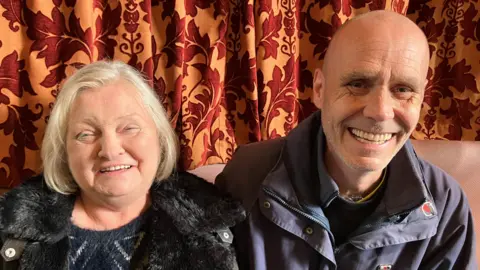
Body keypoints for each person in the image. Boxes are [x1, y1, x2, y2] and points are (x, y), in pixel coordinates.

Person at [216, 10, 476, 269]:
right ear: (319, 89)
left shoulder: (445, 207)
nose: (380, 111)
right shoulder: (247, 176)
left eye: (403, 90)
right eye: (359, 83)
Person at [0, 60, 245, 270]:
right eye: (85, 134)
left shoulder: (224, 226)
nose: (109, 150)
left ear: (159, 138)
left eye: (129, 128)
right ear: (64, 151)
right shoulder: (9, 232)